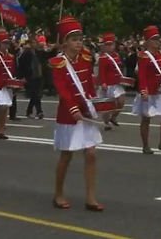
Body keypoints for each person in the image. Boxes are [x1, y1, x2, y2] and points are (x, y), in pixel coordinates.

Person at [50, 16, 103, 211]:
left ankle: (90, 197)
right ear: (64, 42)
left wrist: (97, 104)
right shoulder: (58, 63)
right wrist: (74, 110)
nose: (79, 43)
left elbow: (89, 84)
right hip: (68, 114)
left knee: (91, 154)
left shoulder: (87, 58)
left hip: (86, 112)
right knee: (67, 155)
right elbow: (63, 89)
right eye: (74, 39)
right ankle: (58, 193)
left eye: (80, 39)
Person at [132, 25, 161, 154]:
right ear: (148, 41)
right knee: (146, 118)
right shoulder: (143, 56)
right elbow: (142, 74)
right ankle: (145, 145)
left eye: (158, 39)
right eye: (154, 39)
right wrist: (143, 90)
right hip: (149, 91)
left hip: (160, 90)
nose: (158, 41)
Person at [97, 32, 126, 131]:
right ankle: (106, 123)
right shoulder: (103, 58)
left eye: (111, 44)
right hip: (108, 84)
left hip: (117, 83)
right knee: (107, 106)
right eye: (107, 45)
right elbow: (101, 72)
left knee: (121, 101)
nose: (110, 47)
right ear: (104, 46)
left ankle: (113, 117)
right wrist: (103, 83)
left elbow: (119, 68)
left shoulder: (116, 56)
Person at [18, 37, 44, 119]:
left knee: (36, 95)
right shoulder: (27, 53)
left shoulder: (36, 52)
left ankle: (29, 111)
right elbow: (22, 65)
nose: (35, 44)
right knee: (35, 94)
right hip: (30, 76)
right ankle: (39, 111)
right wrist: (22, 76)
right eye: (33, 43)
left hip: (38, 75)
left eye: (36, 43)